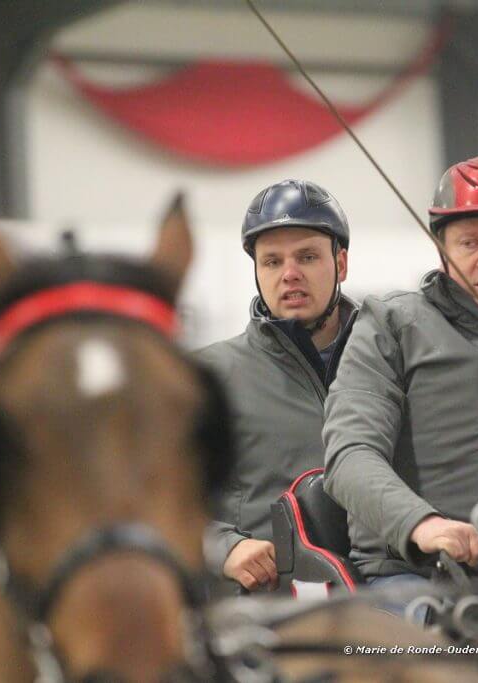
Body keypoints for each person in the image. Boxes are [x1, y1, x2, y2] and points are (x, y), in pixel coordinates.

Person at [323, 155, 478, 600]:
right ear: (442, 248)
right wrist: (422, 524)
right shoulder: (391, 325)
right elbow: (350, 455)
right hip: (414, 578)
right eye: (469, 243)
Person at [197, 179, 357, 592]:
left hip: (382, 601)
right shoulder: (208, 375)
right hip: (262, 608)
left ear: (340, 264)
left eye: (307, 257)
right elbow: (150, 497)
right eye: (271, 261)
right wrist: (223, 547)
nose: (289, 274)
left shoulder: (389, 363)